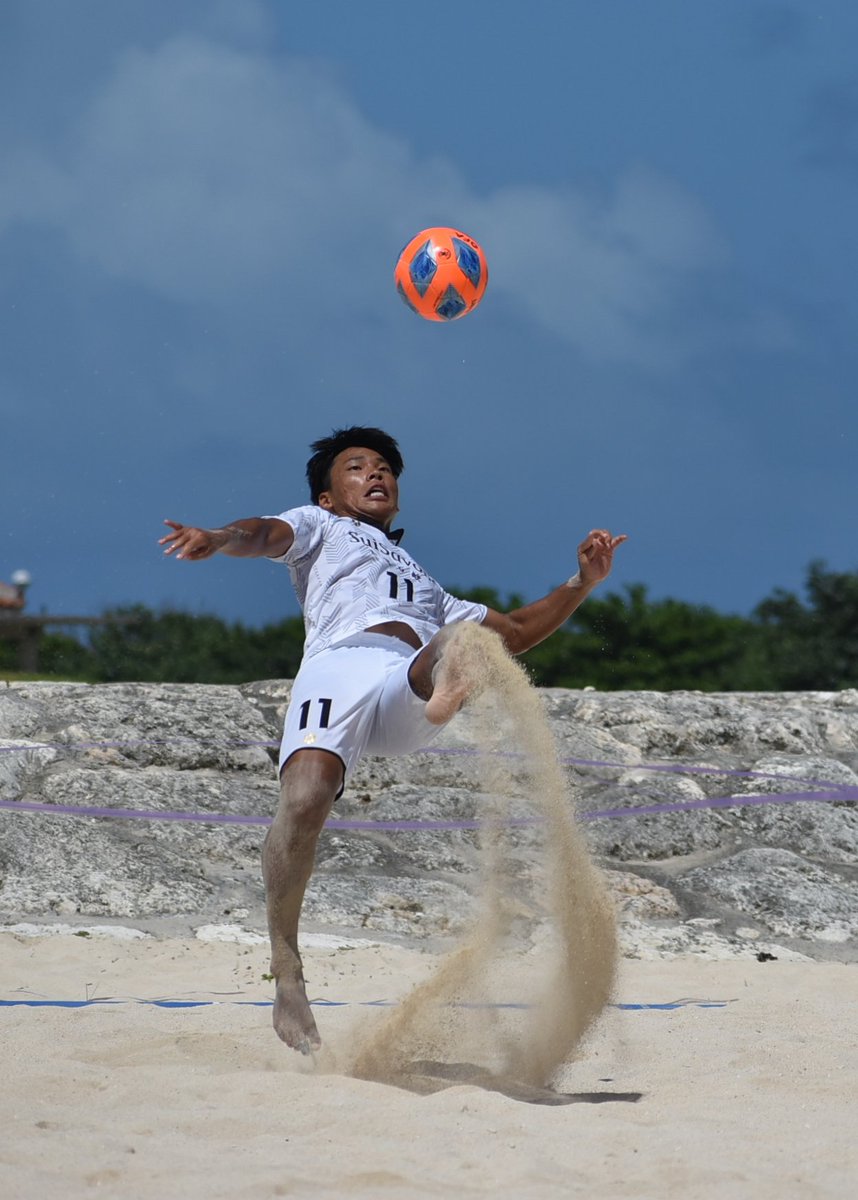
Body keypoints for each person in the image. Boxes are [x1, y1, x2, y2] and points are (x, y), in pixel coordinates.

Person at [160, 426, 626, 1053]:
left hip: (401, 684)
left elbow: (515, 629)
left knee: (473, 638)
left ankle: (444, 691)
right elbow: (264, 533)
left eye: (385, 469)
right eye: (357, 468)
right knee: (303, 803)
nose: (377, 475)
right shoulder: (321, 526)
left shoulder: (427, 586)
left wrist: (581, 583)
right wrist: (217, 538)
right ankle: (288, 974)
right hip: (337, 667)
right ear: (329, 495)